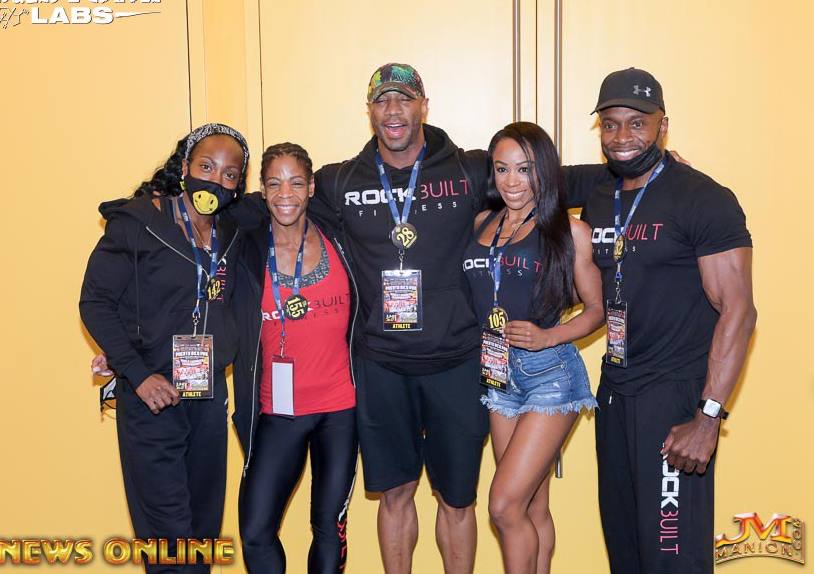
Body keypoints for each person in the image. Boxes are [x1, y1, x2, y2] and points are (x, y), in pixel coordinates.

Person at [302, 63, 613, 574]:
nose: (393, 110)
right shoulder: (340, 181)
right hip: (381, 365)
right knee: (396, 493)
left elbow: (551, 176)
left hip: (460, 364)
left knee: (460, 498)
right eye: (382, 100)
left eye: (405, 99)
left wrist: (634, 168)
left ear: (424, 106)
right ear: (369, 110)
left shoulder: (468, 170)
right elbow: (278, 197)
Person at [580, 68, 756, 573]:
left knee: (672, 557)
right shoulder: (600, 196)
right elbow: (529, 173)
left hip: (674, 399)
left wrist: (708, 417)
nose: (622, 137)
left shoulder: (703, 198)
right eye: (610, 124)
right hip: (615, 393)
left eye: (637, 123)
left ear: (663, 126)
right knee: (627, 554)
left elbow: (739, 311)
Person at [79, 123, 250, 573]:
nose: (215, 180)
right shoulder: (140, 222)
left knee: (203, 533)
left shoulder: (233, 231)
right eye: (206, 167)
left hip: (208, 397)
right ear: (185, 166)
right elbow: (95, 302)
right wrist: (134, 371)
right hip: (152, 399)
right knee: (168, 537)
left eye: (229, 174)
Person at [463, 122, 603, 574]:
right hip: (498, 373)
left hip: (550, 374)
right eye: (502, 168)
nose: (512, 181)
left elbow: (597, 310)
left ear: (543, 170)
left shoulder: (570, 231)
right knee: (531, 506)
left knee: (503, 506)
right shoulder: (482, 223)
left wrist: (549, 336)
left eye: (524, 169)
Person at [230, 143, 358, 574]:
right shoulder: (246, 247)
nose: (286, 194)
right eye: (275, 183)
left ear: (312, 187)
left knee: (328, 527)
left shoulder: (339, 236)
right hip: (277, 409)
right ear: (262, 191)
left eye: (296, 182)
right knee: (255, 532)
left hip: (340, 408)